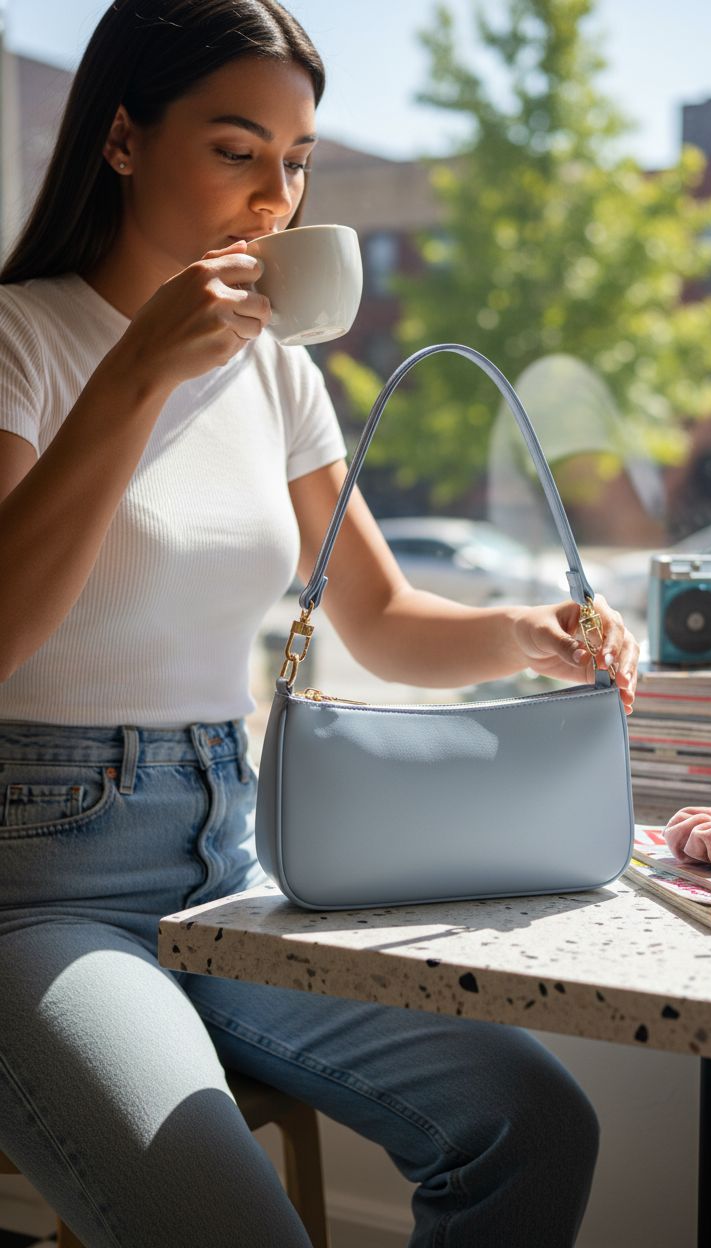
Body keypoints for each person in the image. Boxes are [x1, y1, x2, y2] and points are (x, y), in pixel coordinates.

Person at [0, 2, 639, 1245]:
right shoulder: (20, 339)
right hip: (36, 885)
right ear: (123, 140)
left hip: (233, 866)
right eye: (237, 150)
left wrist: (527, 631)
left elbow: (384, 619)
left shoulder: (280, 373)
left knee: (534, 1123)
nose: (274, 200)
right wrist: (139, 370)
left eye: (296, 163)